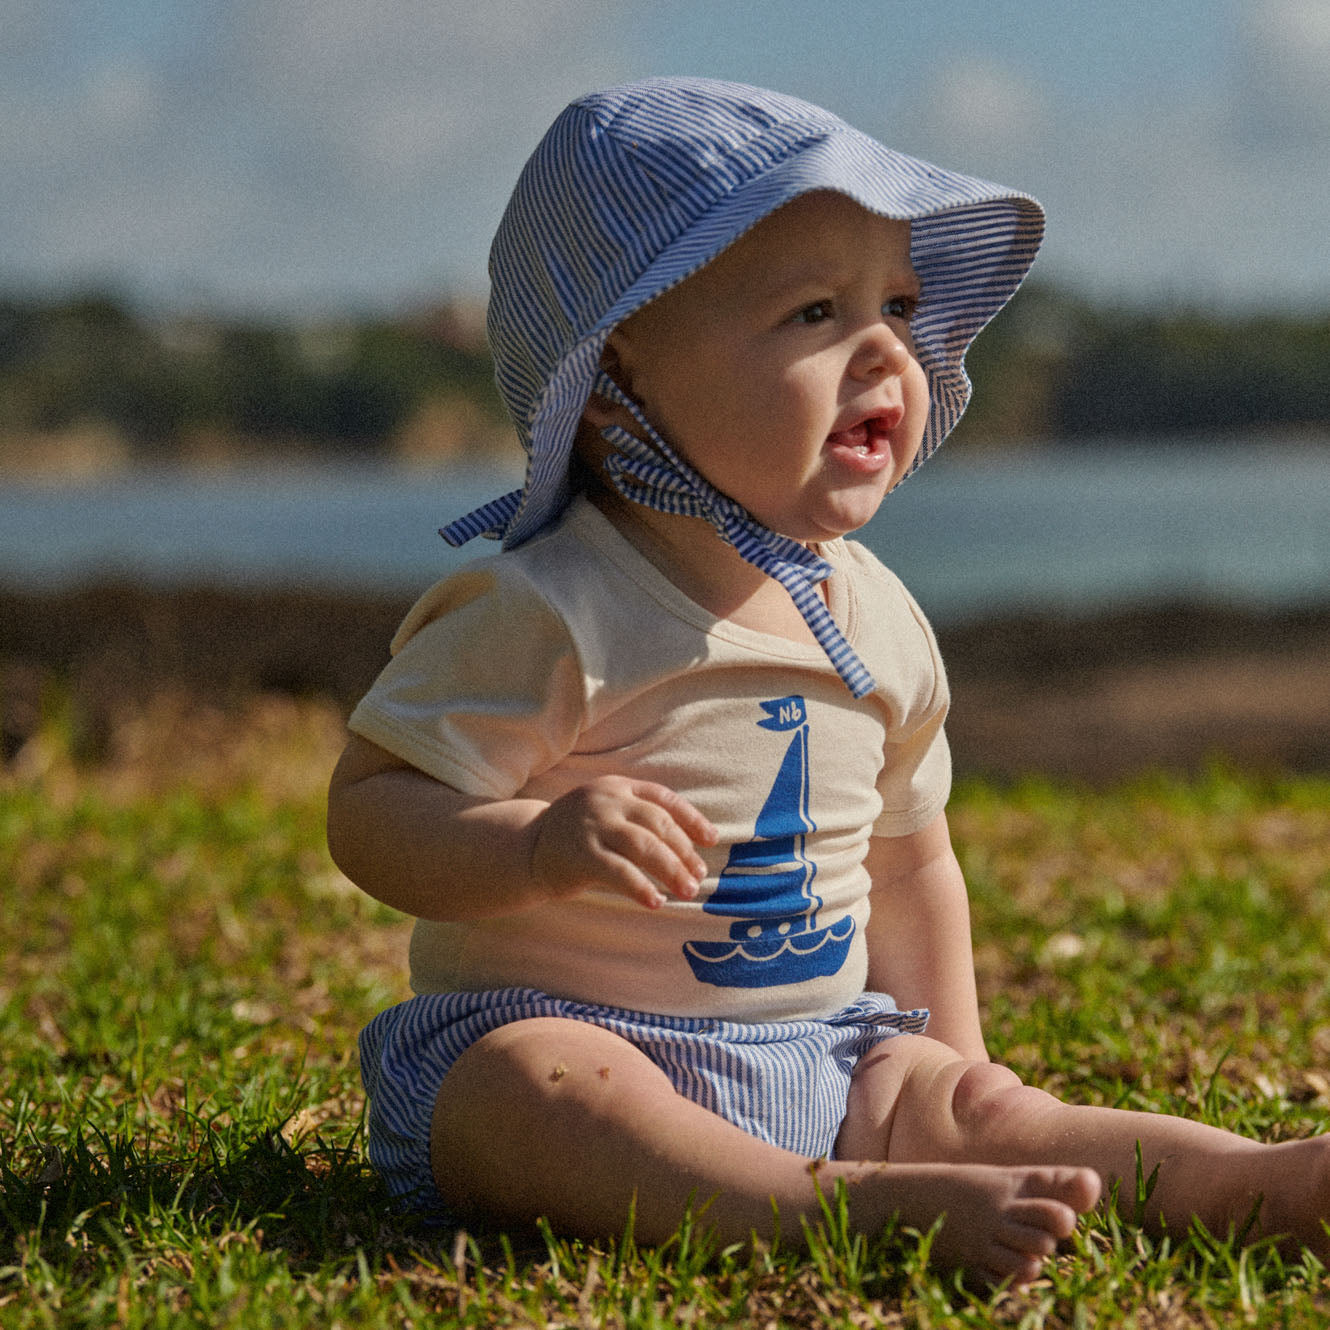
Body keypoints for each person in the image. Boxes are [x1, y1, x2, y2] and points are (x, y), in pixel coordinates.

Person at [327, 77, 1330, 1288]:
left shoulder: (875, 616)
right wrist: (532, 847)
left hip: (822, 1050)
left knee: (984, 1106)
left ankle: (1248, 1182)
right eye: (814, 311)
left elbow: (910, 862)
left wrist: (958, 1080)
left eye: (900, 306)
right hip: (570, 1037)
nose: (887, 352)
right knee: (535, 1094)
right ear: (611, 381)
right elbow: (372, 808)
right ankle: (819, 1215)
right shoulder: (550, 607)